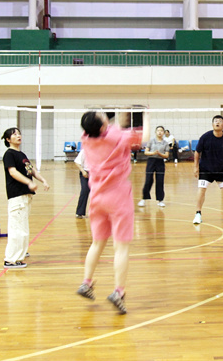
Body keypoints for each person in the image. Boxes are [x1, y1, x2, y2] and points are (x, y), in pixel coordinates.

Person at [76, 111, 149, 314]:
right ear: (102, 126)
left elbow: (112, 126)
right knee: (121, 247)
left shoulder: (86, 138)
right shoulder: (117, 137)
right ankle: (118, 291)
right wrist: (147, 115)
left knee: (97, 243)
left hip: (97, 197)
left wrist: (121, 115)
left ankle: (86, 282)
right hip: (118, 197)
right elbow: (143, 138)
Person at [1, 127, 49, 269]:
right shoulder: (9, 154)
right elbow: (13, 172)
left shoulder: (21, 154)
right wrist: (29, 182)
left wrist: (43, 180)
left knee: (22, 227)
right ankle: (11, 260)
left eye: (19, 133)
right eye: (14, 134)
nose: (18, 136)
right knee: (17, 228)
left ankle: (20, 251)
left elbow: (31, 170)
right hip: (16, 194)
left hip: (25, 196)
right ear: (8, 139)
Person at [193, 115, 223, 224]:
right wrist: (196, 167)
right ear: (212, 124)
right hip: (205, 168)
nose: (217, 123)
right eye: (215, 121)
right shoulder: (205, 137)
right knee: (202, 189)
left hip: (221, 168)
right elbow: (197, 152)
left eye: (219, 121)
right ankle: (198, 214)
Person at [140, 125, 169, 207]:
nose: (160, 132)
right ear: (155, 132)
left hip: (160, 162)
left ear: (163, 132)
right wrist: (153, 153)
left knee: (160, 181)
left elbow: (166, 155)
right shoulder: (151, 141)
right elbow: (146, 152)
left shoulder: (165, 143)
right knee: (148, 180)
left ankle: (160, 200)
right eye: (158, 130)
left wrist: (159, 154)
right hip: (151, 161)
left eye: (161, 131)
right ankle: (144, 199)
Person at [74, 149, 90, 219]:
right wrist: (83, 171)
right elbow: (77, 162)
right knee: (84, 190)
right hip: (85, 173)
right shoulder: (84, 151)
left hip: (96, 173)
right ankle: (79, 212)